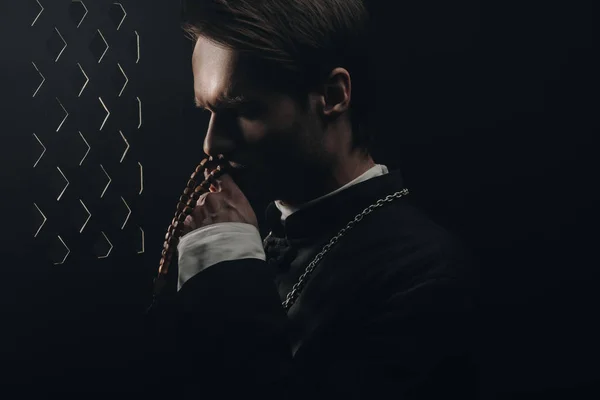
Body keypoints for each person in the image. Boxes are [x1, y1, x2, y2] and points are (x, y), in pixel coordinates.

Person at [147, 1, 479, 398]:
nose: (211, 143)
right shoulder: (263, 233)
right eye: (208, 111)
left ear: (333, 95)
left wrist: (227, 272)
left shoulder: (424, 276)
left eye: (242, 110)